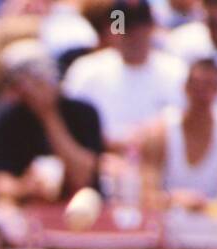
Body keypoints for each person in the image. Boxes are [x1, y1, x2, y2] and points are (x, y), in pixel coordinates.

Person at [0, 39, 104, 204]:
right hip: (28, 206)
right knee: (3, 205)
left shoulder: (83, 113)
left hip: (78, 204)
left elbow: (83, 177)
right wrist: (24, 187)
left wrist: (48, 115)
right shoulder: (6, 121)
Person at [62, 0, 188, 148]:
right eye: (125, 28)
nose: (134, 35)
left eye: (140, 27)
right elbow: (72, 124)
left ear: (151, 27)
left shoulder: (176, 71)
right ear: (113, 30)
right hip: (102, 158)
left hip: (158, 158)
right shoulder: (86, 70)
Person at [139, 57, 217, 212]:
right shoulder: (158, 132)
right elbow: (147, 196)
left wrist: (213, 206)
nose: (203, 94)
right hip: (169, 222)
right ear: (185, 87)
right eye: (197, 86)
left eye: (210, 86)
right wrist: (173, 199)